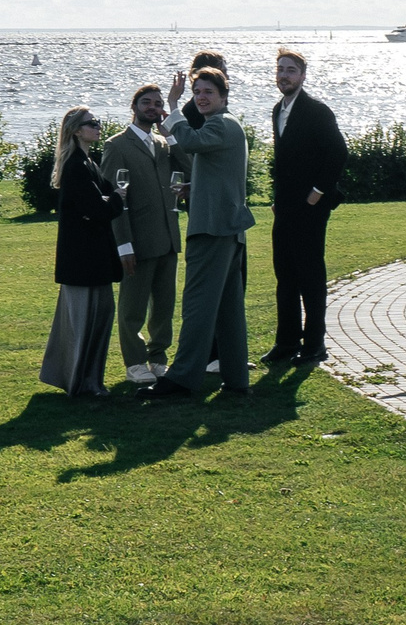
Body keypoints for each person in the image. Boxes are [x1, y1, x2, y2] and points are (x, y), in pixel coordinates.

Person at [143, 67, 252, 399]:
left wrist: (174, 105)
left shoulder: (222, 124)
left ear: (223, 96)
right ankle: (236, 381)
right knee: (227, 310)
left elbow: (189, 141)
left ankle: (182, 379)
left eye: (208, 92)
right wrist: (196, 185)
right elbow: (218, 168)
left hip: (213, 229)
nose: (201, 98)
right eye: (197, 92)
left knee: (197, 305)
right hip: (228, 230)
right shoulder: (226, 126)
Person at [102, 83, 187, 385]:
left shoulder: (163, 144)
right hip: (137, 240)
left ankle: (158, 358)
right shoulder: (117, 145)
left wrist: (171, 133)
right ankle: (135, 362)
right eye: (146, 102)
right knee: (132, 308)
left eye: (157, 103)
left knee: (164, 307)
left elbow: (188, 167)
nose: (152, 107)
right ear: (134, 106)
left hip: (167, 238)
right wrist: (123, 244)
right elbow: (115, 199)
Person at [40, 105, 128, 397]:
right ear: (77, 129)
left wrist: (106, 200)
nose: (98, 127)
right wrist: (114, 198)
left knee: (97, 318)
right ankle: (82, 383)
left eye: (98, 122)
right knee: (84, 323)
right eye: (92, 123)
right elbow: (98, 208)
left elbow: (99, 205)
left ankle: (88, 380)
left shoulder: (88, 162)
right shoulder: (77, 166)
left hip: (91, 258)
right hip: (83, 261)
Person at [266, 47, 346, 365]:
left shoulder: (317, 110)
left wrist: (318, 191)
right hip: (285, 205)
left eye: (290, 70)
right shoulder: (278, 110)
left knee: (310, 275)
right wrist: (278, 197)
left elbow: (338, 153)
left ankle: (314, 344)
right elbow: (283, 160)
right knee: (284, 274)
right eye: (280, 69)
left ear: (302, 75)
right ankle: (286, 341)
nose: (283, 75)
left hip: (311, 207)